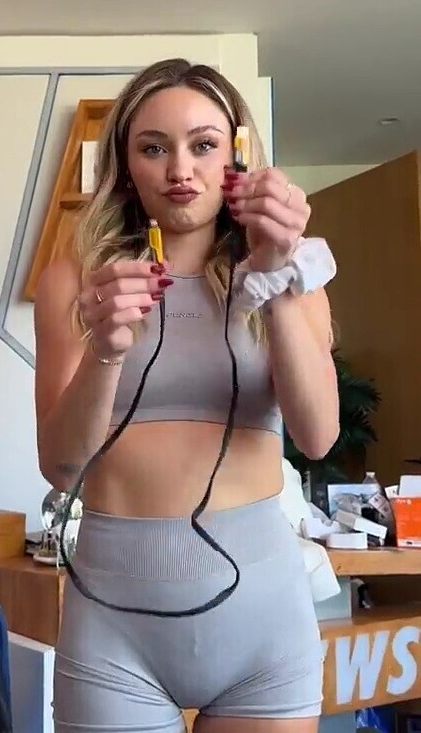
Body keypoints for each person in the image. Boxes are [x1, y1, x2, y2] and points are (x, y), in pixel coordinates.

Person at [34, 58, 340, 733]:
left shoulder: (297, 272)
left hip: (263, 622)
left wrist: (273, 275)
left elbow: (318, 436)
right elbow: (59, 466)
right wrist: (107, 350)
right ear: (125, 165)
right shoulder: (77, 283)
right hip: (113, 625)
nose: (181, 169)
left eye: (203, 145)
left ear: (236, 157)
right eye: (153, 148)